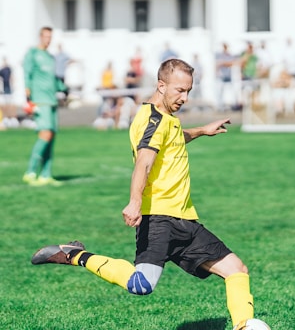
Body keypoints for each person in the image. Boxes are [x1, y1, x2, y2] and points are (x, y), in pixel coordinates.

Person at [31, 59, 254, 330]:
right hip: (158, 219)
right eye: (179, 90)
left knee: (237, 270)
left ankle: (244, 325)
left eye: (188, 91)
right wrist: (135, 202)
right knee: (141, 285)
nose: (184, 98)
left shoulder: (165, 118)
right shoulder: (153, 120)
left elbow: (173, 138)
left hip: (185, 221)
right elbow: (144, 162)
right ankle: (75, 255)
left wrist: (202, 131)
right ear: (161, 85)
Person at [22, 26, 66, 186]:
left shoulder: (50, 57)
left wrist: (63, 88)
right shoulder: (32, 53)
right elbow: (27, 74)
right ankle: (30, 172)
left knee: (51, 137)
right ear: (40, 37)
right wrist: (28, 97)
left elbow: (54, 79)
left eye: (50, 37)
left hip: (52, 100)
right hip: (40, 100)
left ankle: (46, 175)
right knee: (45, 134)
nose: (48, 39)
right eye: (46, 36)